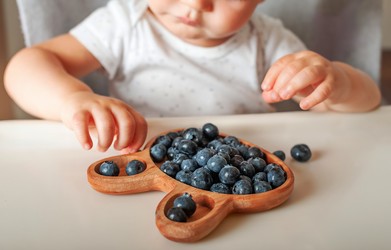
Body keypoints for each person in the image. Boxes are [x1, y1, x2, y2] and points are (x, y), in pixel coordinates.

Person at [4, 0, 381, 154]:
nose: (196, 4)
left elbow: (367, 102)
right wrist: (72, 98)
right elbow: (29, 64)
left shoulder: (269, 41)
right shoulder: (123, 24)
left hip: (238, 179)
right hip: (142, 170)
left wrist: (338, 82)